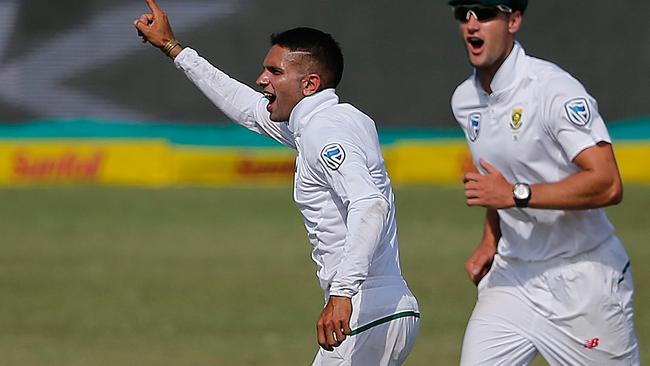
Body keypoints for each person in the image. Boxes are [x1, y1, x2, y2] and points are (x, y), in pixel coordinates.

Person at [133, 1, 420, 364]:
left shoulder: (323, 129)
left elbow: (370, 203)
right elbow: (246, 108)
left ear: (310, 83)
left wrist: (342, 294)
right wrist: (173, 48)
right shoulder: (331, 120)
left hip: (365, 311)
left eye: (274, 71)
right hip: (389, 309)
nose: (261, 79)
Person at [448, 0, 640, 364]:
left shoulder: (553, 90)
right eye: (464, 14)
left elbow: (608, 184)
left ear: (514, 20)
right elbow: (497, 181)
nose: (472, 24)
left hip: (582, 278)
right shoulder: (464, 100)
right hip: (512, 278)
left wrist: (517, 195)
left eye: (486, 13)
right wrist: (491, 239)